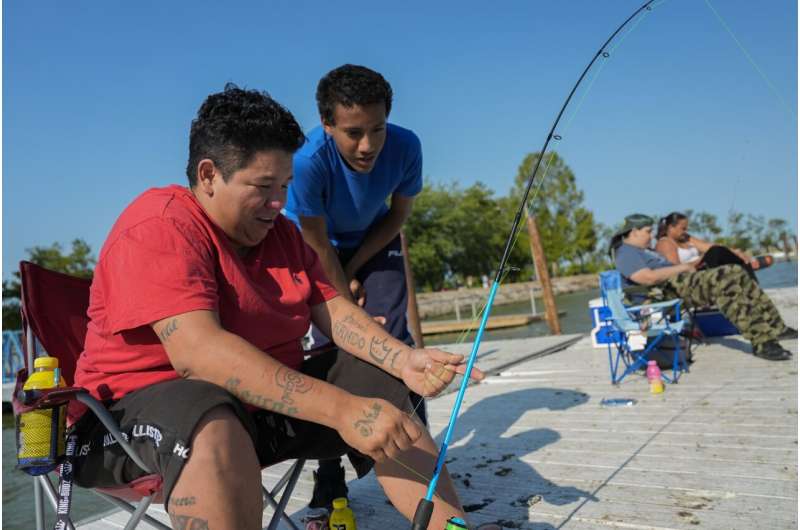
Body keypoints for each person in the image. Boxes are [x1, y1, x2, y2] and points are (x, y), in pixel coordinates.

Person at [69, 84, 487, 530]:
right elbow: (199, 355)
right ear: (209, 175)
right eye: (264, 187)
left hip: (252, 414)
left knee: (375, 378)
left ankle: (451, 527)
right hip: (124, 428)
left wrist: (404, 359)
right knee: (207, 412)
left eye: (286, 186)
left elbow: (334, 308)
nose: (279, 204)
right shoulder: (160, 225)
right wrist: (344, 411)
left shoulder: (280, 234)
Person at [284, 64, 427, 509]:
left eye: (377, 129)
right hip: (316, 247)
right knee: (336, 346)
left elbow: (397, 217)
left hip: (373, 240)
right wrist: (348, 304)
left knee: (396, 345)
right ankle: (330, 471)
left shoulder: (406, 146)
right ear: (327, 125)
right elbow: (314, 242)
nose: (368, 146)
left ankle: (419, 461)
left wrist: (358, 265)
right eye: (352, 132)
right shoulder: (307, 160)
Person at [610, 214, 795, 362]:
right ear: (633, 232)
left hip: (677, 285)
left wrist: (690, 266)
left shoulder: (642, 252)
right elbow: (645, 278)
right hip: (662, 297)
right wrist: (682, 267)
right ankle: (762, 342)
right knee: (725, 280)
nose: (651, 236)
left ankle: (776, 327)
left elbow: (663, 269)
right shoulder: (625, 252)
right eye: (647, 232)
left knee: (735, 271)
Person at [655, 212, 771, 281]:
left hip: (702, 269)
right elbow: (675, 270)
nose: (685, 231)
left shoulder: (686, 238)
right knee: (716, 252)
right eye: (683, 229)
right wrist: (699, 260)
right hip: (690, 276)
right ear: (671, 227)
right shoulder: (665, 243)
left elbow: (709, 246)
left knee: (718, 250)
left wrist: (734, 251)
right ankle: (748, 266)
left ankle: (745, 266)